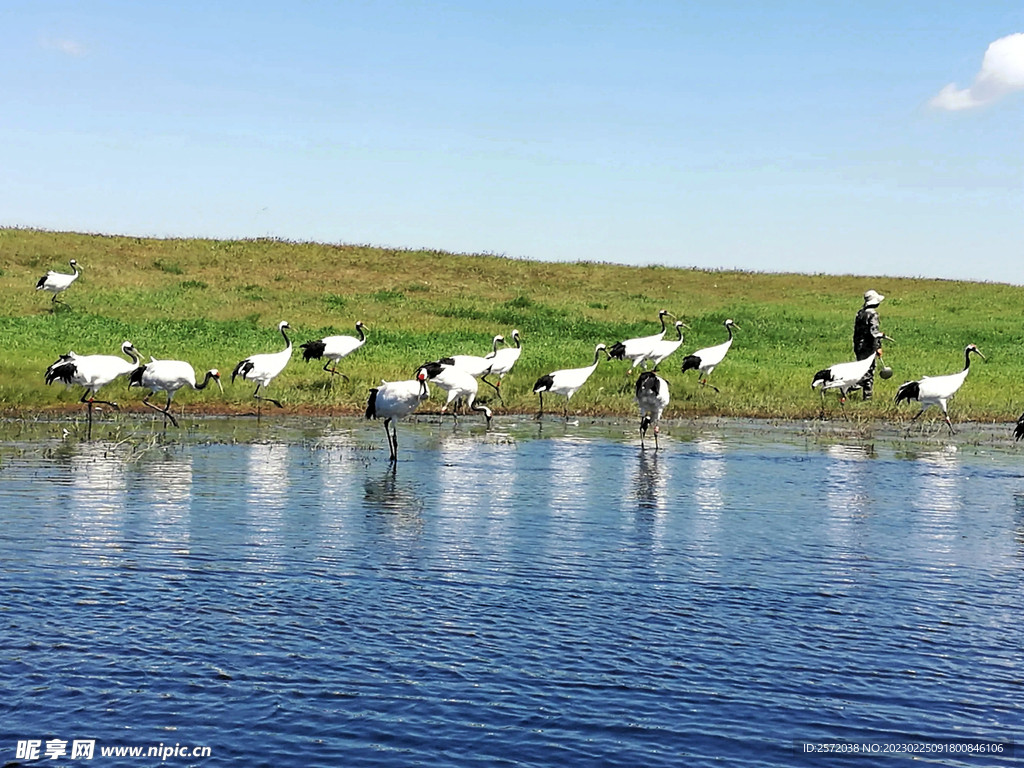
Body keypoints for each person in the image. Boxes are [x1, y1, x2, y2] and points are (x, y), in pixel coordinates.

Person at [853, 289, 887, 400]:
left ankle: (867, 398)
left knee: (864, 369)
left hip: (859, 346)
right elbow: (874, 333)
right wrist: (878, 346)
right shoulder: (873, 315)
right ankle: (850, 386)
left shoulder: (860, 313)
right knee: (868, 372)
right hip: (868, 346)